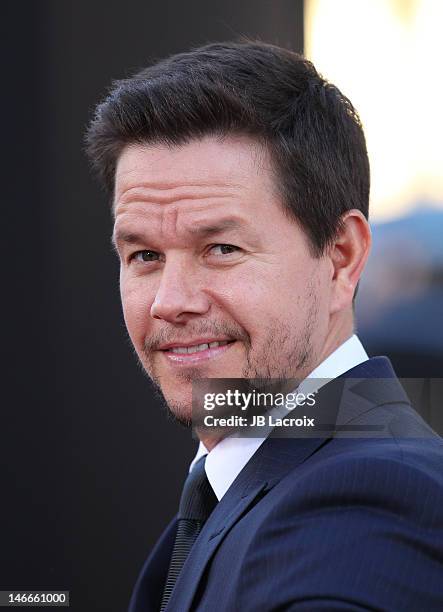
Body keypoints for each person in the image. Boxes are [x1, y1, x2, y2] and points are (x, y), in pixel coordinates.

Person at [85, 41, 443, 611]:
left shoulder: (366, 498)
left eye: (221, 248)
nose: (169, 303)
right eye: (145, 256)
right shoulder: (237, 489)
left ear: (341, 257)